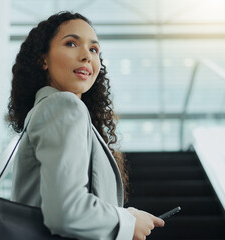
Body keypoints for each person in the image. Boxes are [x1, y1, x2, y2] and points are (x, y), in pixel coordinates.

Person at [8, 11, 164, 240]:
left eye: (94, 49)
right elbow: (66, 212)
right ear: (43, 59)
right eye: (71, 43)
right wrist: (128, 223)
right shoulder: (63, 105)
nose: (86, 56)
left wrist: (125, 215)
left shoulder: (47, 110)